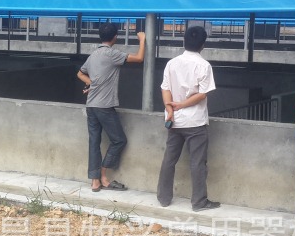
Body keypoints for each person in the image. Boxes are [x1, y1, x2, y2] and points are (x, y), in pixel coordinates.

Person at [77, 23, 146, 193]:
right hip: (104, 107)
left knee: (94, 142)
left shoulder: (93, 55)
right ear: (115, 37)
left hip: (91, 106)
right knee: (119, 140)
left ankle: (95, 182)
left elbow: (80, 73)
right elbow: (139, 58)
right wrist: (142, 40)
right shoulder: (112, 54)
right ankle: (103, 177)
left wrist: (90, 83)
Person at [157, 26, 220, 211]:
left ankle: (163, 198)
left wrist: (170, 108)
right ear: (203, 44)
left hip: (174, 120)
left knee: (169, 159)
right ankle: (199, 202)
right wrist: (181, 105)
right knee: (197, 162)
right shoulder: (204, 66)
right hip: (195, 122)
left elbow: (165, 88)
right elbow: (202, 94)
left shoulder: (172, 63)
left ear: (184, 40)